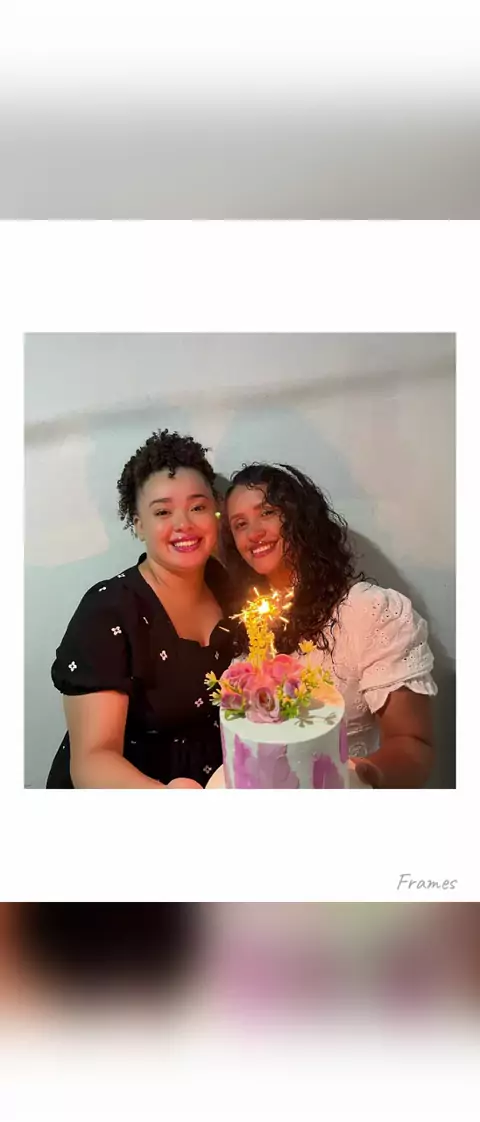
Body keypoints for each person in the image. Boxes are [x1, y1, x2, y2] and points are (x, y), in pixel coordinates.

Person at [222, 462, 437, 788]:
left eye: (267, 512)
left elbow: (413, 744)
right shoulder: (249, 620)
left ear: (299, 516)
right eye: (240, 524)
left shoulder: (367, 611)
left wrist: (358, 776)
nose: (253, 533)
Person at [47, 430, 237, 788]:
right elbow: (92, 762)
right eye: (163, 511)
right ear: (138, 525)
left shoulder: (229, 588)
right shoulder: (108, 611)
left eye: (197, 507)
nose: (183, 524)